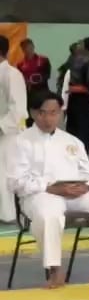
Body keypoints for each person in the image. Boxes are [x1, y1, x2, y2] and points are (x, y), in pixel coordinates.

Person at [8, 92, 89, 289]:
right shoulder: (20, 141)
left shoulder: (72, 141)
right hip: (40, 194)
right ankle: (55, 270)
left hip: (76, 192)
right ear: (33, 113)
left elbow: (87, 171)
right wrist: (50, 187)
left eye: (53, 113)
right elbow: (15, 182)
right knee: (49, 215)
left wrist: (85, 185)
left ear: (61, 113)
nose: (48, 118)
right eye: (42, 113)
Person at [0, 35, 28, 222]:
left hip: (8, 134)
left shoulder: (12, 74)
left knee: (4, 175)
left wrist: (1, 126)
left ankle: (7, 216)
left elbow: (18, 109)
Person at [59, 38, 89, 150]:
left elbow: (67, 82)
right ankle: (83, 153)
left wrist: (64, 104)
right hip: (84, 98)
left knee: (73, 127)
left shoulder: (73, 61)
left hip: (72, 97)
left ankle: (71, 151)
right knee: (84, 129)